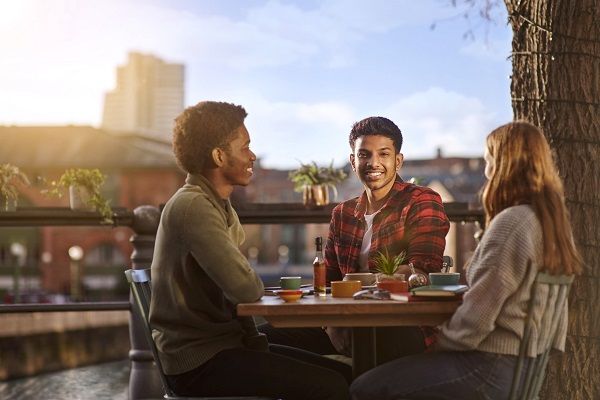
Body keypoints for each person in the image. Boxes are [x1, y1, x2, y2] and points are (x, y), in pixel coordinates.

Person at [350, 121, 583, 400]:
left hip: (489, 368)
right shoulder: (551, 224)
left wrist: (434, 348)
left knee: (365, 388)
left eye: (489, 161)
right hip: (525, 369)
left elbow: (476, 320)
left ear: (503, 165)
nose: (487, 171)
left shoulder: (512, 224)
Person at [149, 101, 350, 400]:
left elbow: (236, 293)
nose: (252, 155)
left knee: (343, 375)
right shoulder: (194, 206)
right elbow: (245, 288)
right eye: (244, 147)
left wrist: (256, 344)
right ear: (218, 156)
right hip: (199, 364)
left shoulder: (216, 203)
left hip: (223, 346)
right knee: (332, 386)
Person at [261, 116, 450, 361]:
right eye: (364, 155)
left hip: (401, 324)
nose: (374, 163)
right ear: (353, 161)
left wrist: (361, 284)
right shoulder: (343, 213)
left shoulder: (422, 200)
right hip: (345, 321)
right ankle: (332, 385)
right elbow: (328, 283)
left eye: (384, 154)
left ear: (398, 161)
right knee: (262, 337)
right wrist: (331, 324)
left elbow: (422, 269)